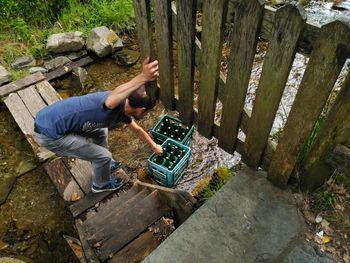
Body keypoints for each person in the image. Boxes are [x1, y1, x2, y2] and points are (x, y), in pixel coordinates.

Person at [34, 57, 163, 193]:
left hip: (51, 118)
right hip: (50, 134)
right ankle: (100, 185)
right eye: (148, 112)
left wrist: (154, 146)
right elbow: (111, 100)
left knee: (102, 131)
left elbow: (137, 129)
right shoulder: (112, 103)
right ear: (142, 110)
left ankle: (105, 166)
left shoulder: (124, 106)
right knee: (104, 156)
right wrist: (143, 76)